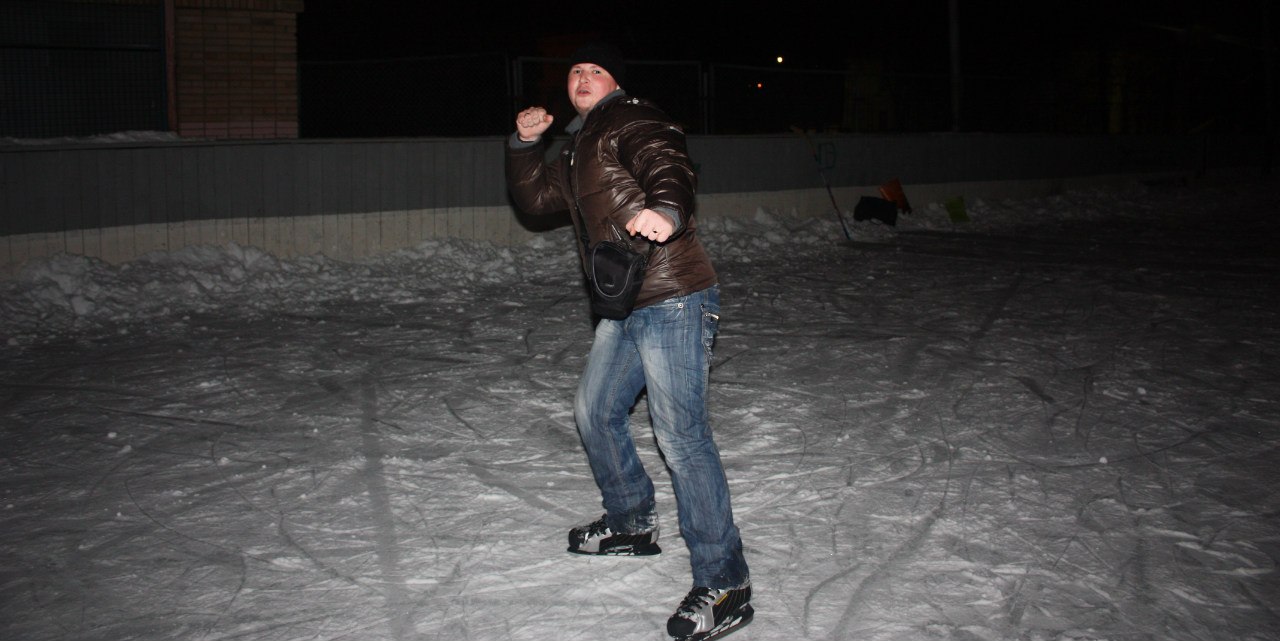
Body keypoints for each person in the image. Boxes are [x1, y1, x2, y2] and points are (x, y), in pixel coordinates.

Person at [504, 43, 752, 641]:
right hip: (625, 303)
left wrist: (667, 206)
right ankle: (631, 522)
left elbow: (665, 160)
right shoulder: (578, 144)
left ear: (614, 80)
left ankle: (726, 583)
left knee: (682, 438)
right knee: (595, 411)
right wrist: (524, 145)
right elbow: (537, 201)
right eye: (575, 71)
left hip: (674, 296)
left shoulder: (631, 117)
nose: (583, 77)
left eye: (596, 69)